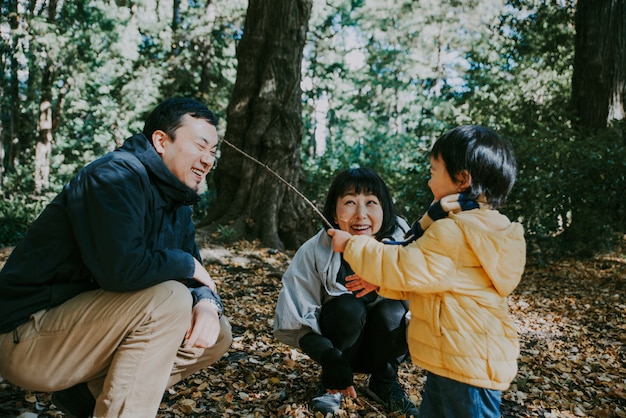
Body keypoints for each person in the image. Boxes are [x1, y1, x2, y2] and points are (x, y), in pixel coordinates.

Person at [0, 98, 232, 418]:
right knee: (170, 299)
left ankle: (84, 396)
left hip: (82, 333)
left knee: (216, 332)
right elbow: (121, 270)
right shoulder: (114, 176)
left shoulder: (176, 201)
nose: (208, 160)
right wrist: (188, 265)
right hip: (27, 336)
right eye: (200, 146)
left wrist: (207, 302)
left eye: (213, 152)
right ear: (161, 141)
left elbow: (195, 274)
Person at [329, 125, 526, 417]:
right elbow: (433, 278)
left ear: (462, 179)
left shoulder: (454, 231)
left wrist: (354, 247)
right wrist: (382, 285)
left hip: (465, 360)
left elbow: (405, 265)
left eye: (434, 170)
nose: (429, 177)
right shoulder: (482, 227)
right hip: (457, 355)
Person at [273, 167, 420, 416]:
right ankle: (333, 386)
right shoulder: (314, 251)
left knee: (392, 310)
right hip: (339, 349)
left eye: (371, 202)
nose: (360, 214)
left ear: (385, 209)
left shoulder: (406, 245)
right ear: (334, 211)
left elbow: (428, 296)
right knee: (347, 307)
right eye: (350, 202)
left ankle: (384, 382)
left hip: (388, 347)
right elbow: (294, 317)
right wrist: (329, 358)